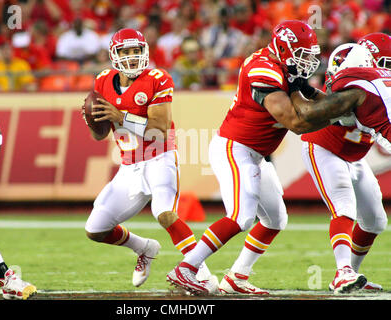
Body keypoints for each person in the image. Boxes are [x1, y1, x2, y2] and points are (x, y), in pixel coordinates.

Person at [167, 20, 333, 295]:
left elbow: (309, 94)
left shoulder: (283, 65)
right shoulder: (262, 70)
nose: (307, 62)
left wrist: (339, 105)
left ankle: (236, 277)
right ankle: (186, 268)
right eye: (302, 55)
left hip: (256, 154)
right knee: (241, 217)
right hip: (236, 148)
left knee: (276, 219)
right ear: (283, 48)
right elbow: (295, 122)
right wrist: (337, 115)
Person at [81, 28, 217, 289]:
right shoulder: (102, 81)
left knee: (164, 213)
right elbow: (99, 136)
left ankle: (201, 273)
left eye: (136, 51)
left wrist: (119, 116)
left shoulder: (158, 78)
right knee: (95, 229)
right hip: (129, 166)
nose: (131, 57)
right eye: (125, 51)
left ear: (144, 52)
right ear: (114, 54)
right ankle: (144, 248)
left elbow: (160, 127)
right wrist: (92, 120)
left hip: (159, 157)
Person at [299, 38, 390, 294]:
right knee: (344, 206)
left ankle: (351, 272)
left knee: (374, 221)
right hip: (324, 149)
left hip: (355, 156)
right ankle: (342, 272)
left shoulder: (374, 85)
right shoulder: (353, 84)